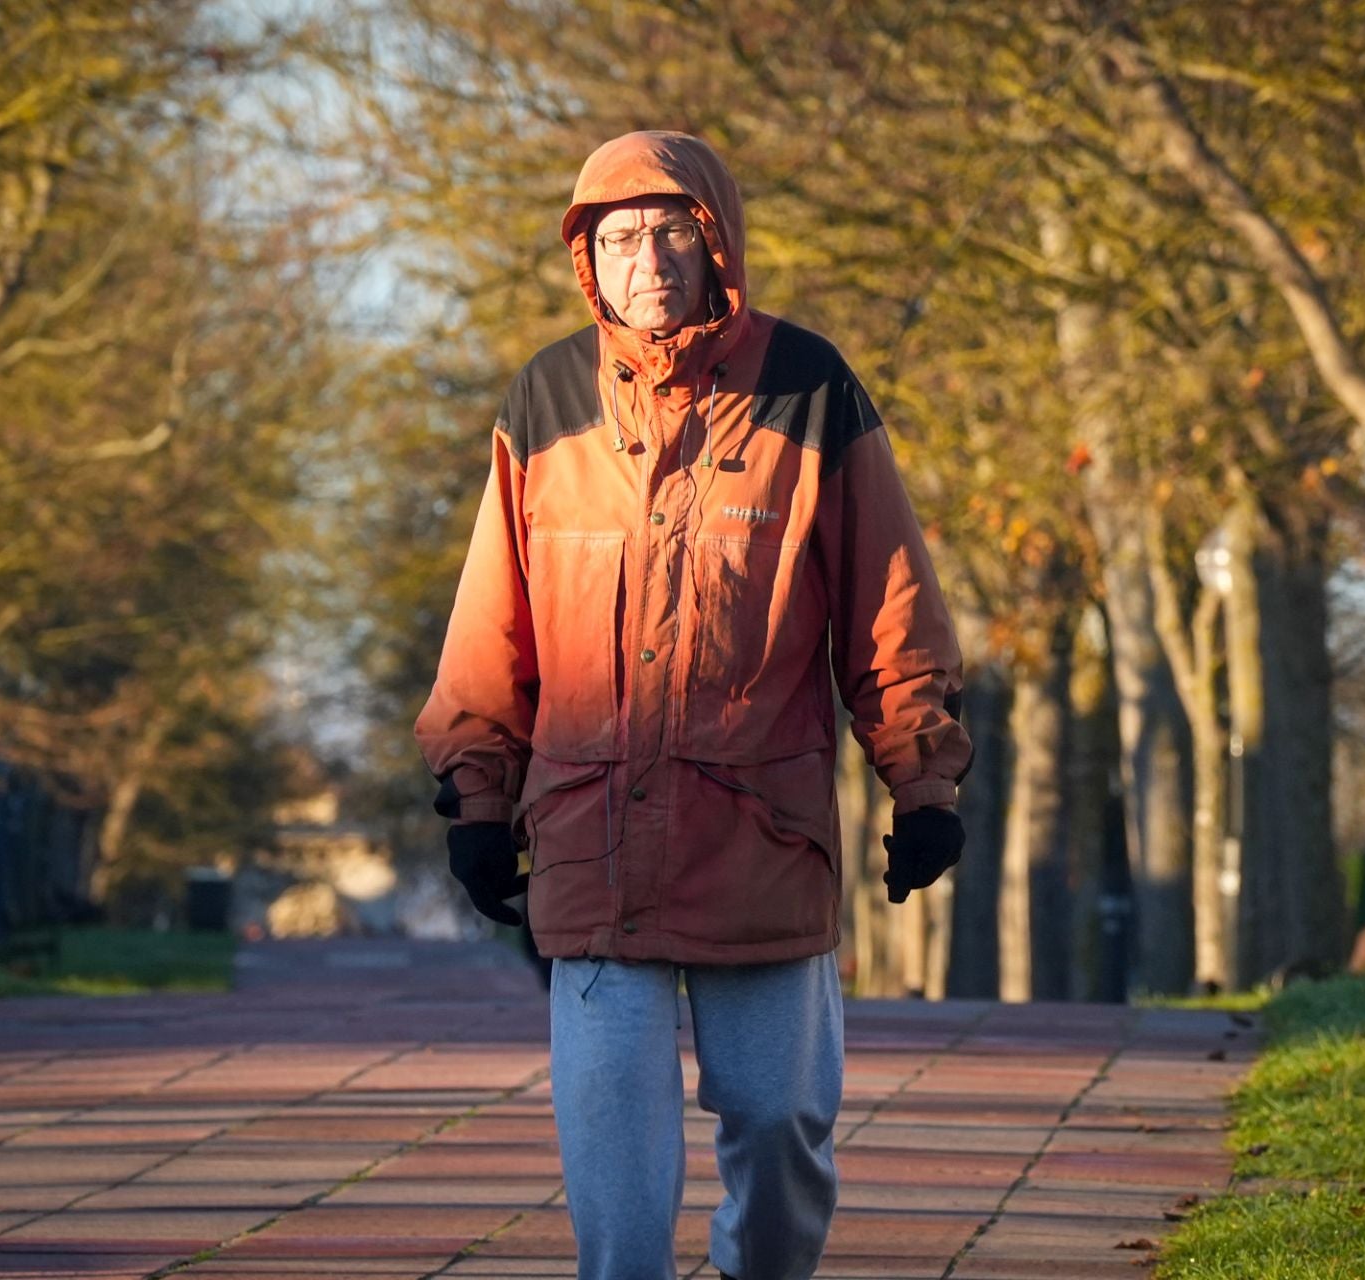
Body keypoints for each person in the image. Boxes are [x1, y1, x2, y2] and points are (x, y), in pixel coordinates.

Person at [415, 130, 970, 1280]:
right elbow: (493, 624)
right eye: (618, 237)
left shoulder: (810, 388)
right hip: (589, 835)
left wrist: (922, 778)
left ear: (715, 238)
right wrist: (478, 797)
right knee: (616, 1174)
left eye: (669, 230)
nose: (647, 257)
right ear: (589, 261)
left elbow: (889, 604)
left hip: (759, 834)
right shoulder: (546, 400)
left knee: (780, 1126)